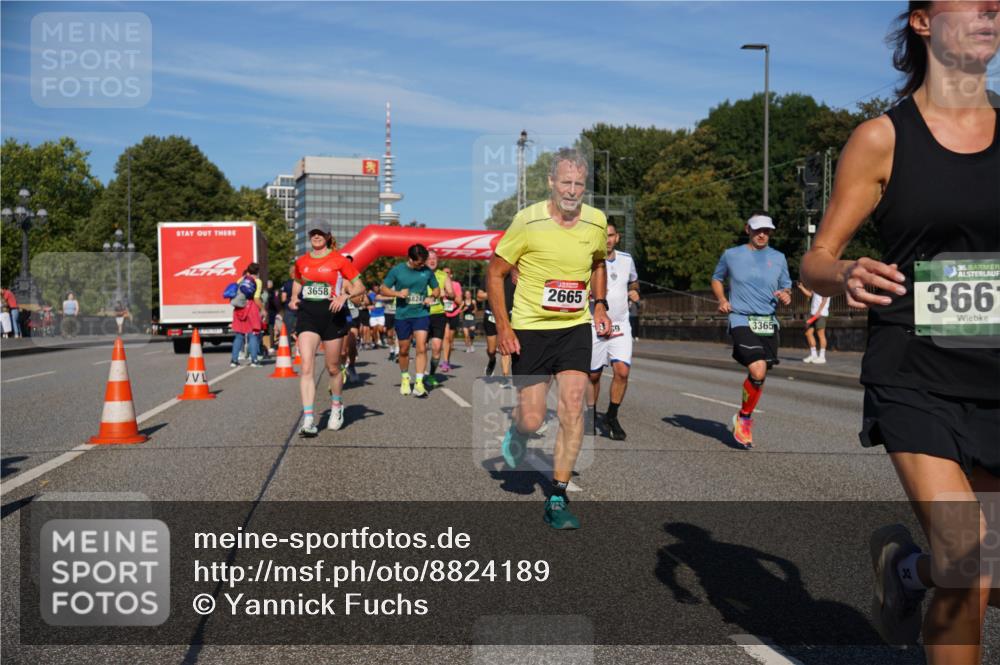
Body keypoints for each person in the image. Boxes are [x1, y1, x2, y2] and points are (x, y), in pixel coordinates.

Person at [801, 3, 1000, 660]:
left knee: (985, 572)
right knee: (969, 558)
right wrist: (847, 270)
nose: (991, 8)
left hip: (995, 372)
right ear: (922, 22)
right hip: (916, 371)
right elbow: (816, 259)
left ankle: (905, 572)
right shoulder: (883, 138)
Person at [489, 147, 610, 530]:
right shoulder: (527, 221)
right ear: (551, 183)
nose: (572, 190)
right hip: (531, 328)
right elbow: (495, 274)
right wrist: (505, 327)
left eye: (579, 183)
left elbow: (597, 263)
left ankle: (557, 496)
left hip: (575, 327)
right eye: (565, 182)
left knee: (575, 407)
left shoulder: (596, 221)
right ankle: (519, 433)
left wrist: (601, 305)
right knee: (532, 417)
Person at [711, 212, 792, 449]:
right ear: (748, 229)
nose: (763, 234)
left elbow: (786, 285)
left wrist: (786, 294)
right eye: (758, 230)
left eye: (767, 230)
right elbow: (717, 279)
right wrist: (721, 299)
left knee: (761, 373)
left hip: (768, 322)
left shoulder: (779, 257)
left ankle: (743, 415)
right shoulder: (732, 255)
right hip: (741, 318)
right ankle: (745, 419)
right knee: (757, 368)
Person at [289, 222, 365, 436]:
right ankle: (309, 419)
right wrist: (295, 297)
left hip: (333, 315)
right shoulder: (301, 261)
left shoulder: (339, 260)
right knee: (306, 366)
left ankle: (336, 406)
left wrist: (344, 295)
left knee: (333, 367)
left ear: (328, 236)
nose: (316, 236)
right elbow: (297, 281)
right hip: (308, 316)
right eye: (313, 233)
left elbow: (360, 286)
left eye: (320, 233)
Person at [587, 221, 640, 441]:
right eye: (603, 236)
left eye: (611, 235)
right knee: (593, 375)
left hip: (620, 325)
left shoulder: (627, 260)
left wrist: (634, 292)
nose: (607, 240)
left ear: (617, 237)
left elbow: (634, 283)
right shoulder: (590, 260)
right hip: (594, 324)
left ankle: (612, 415)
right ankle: (590, 414)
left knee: (622, 372)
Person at [381, 244, 439, 397]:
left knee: (421, 347)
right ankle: (405, 378)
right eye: (419, 263)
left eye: (423, 262)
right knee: (404, 349)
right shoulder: (397, 270)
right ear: (410, 259)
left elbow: (436, 289)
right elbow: (383, 288)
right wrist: (398, 293)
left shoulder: (426, 271)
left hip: (421, 313)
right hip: (403, 315)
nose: (422, 265)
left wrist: (431, 297)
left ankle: (419, 383)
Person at [478, 268, 517, 377]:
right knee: (491, 350)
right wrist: (492, 294)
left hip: (508, 317)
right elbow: (479, 296)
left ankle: (505, 377)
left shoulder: (515, 277)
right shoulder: (489, 276)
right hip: (491, 316)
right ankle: (492, 360)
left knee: (506, 349)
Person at [424, 250, 453, 388]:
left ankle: (431, 374)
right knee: (421, 348)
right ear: (424, 260)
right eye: (429, 258)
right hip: (422, 314)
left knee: (436, 348)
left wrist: (446, 293)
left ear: (438, 260)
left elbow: (452, 294)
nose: (432, 260)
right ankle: (420, 375)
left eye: (434, 258)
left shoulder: (443, 276)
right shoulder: (419, 274)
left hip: (438, 315)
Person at [230, 264, 264, 368]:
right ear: (258, 272)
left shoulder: (240, 279)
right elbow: (256, 298)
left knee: (239, 335)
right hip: (251, 308)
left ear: (247, 271)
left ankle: (234, 360)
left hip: (239, 309)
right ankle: (254, 360)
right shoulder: (258, 281)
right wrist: (263, 309)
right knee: (253, 334)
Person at [797, 281, 830, 364]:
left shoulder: (825, 286)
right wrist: (801, 288)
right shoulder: (816, 285)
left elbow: (824, 299)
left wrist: (819, 312)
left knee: (821, 334)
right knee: (808, 333)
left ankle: (822, 357)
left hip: (821, 314)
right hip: (813, 314)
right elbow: (810, 295)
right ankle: (813, 355)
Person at [440, 266, 464, 372]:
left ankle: (447, 360)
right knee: (445, 338)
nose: (446, 275)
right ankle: (445, 362)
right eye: (444, 273)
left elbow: (459, 301)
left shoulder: (456, 285)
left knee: (450, 339)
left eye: (448, 273)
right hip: (443, 313)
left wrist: (450, 294)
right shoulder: (439, 284)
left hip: (454, 313)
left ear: (451, 275)